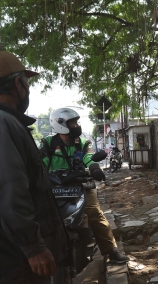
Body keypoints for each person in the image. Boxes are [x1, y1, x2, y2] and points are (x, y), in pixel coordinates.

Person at [0, 51, 68, 284]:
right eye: (25, 83)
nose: (28, 89)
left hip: (2, 261)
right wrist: (34, 247)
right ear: (18, 84)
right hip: (15, 264)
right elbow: (8, 193)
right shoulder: (0, 125)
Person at [40, 107, 129, 264]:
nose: (76, 125)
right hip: (55, 188)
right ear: (60, 124)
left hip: (80, 185)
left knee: (95, 214)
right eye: (72, 123)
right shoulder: (48, 144)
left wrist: (94, 167)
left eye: (76, 122)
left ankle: (111, 251)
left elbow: (89, 155)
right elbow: (41, 162)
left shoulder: (81, 142)